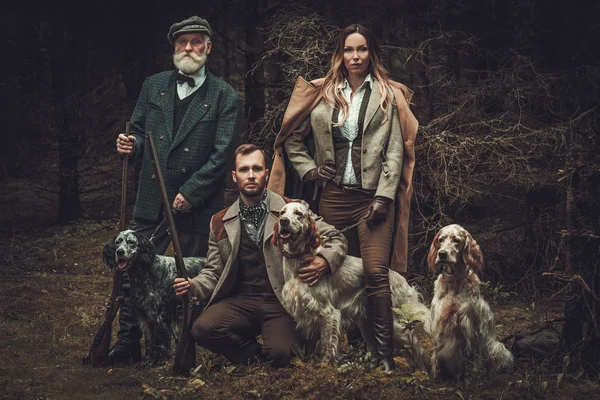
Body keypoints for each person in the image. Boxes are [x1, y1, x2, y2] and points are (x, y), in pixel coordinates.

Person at [278, 24, 419, 372]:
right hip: (334, 200)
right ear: (340, 54)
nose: (355, 57)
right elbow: (292, 141)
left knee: (373, 274)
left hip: (373, 201)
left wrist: (384, 198)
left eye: (362, 50)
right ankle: (339, 349)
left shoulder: (386, 94)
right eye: (349, 50)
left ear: (372, 53)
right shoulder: (322, 93)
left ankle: (384, 357)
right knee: (330, 270)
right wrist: (309, 170)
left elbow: (394, 153)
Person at [111, 15, 243, 365]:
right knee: (130, 275)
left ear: (208, 48)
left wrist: (192, 191)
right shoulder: (153, 86)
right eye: (182, 42)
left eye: (196, 42)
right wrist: (131, 144)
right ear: (174, 47)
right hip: (151, 198)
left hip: (197, 205)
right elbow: (139, 133)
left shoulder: (225, 95)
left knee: (190, 279)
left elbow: (222, 154)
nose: (188, 48)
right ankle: (127, 344)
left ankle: (186, 347)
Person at [173, 144, 348, 367]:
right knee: (203, 329)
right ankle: (253, 355)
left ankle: (274, 351)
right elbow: (213, 271)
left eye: (257, 169)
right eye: (244, 170)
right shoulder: (219, 221)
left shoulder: (290, 208)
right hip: (240, 300)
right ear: (235, 177)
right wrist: (193, 285)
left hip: (280, 301)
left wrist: (324, 261)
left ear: (266, 173)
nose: (251, 175)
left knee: (281, 354)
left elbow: (336, 238)